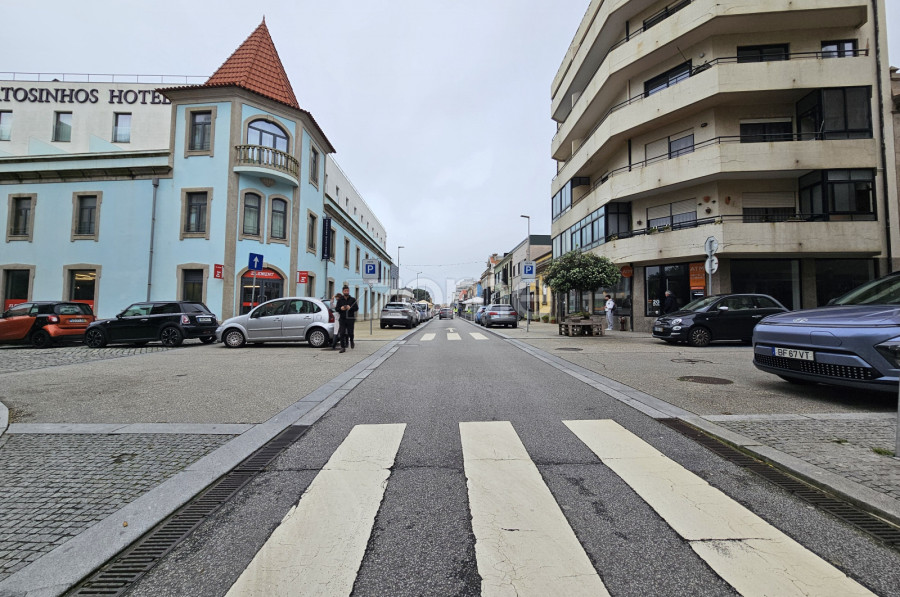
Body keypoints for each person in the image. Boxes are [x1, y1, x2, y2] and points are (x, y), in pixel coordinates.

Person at [336, 285, 358, 353]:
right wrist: (341, 308)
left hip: (350, 318)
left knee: (350, 332)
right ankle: (343, 347)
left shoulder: (353, 299)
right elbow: (336, 309)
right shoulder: (340, 300)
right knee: (342, 333)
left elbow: (356, 308)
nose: (346, 292)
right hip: (342, 319)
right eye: (345, 291)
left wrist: (350, 308)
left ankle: (351, 340)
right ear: (343, 291)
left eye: (347, 291)